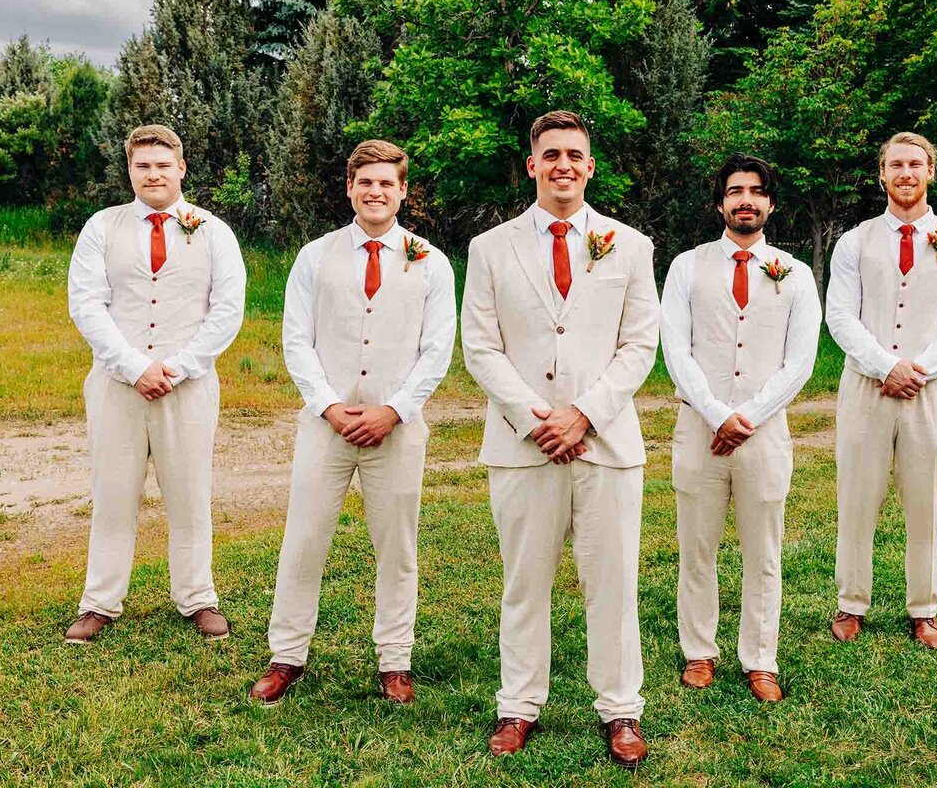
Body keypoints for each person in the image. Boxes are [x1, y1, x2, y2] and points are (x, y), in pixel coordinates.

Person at [460, 111, 659, 768]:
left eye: (575, 154)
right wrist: (535, 415)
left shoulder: (630, 246)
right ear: (532, 165)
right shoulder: (491, 248)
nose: (563, 165)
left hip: (605, 444)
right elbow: (481, 348)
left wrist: (586, 414)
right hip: (523, 445)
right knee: (525, 583)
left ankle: (620, 709)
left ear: (591, 166)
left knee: (613, 582)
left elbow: (639, 344)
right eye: (551, 155)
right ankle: (518, 704)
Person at [248, 140, 456, 705]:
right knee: (304, 539)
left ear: (403, 191)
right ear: (349, 188)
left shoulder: (430, 261)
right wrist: (330, 407)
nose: (376, 191)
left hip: (398, 427)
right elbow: (297, 339)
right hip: (326, 425)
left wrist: (393, 410)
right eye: (365, 182)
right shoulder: (314, 256)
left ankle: (395, 660)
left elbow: (437, 350)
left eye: (387, 183)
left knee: (397, 546)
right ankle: (287, 654)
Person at [65, 124, 246, 643]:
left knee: (190, 494)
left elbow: (226, 311)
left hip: (187, 387)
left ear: (181, 169)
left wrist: (179, 366)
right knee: (113, 493)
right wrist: (132, 366)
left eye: (163, 165)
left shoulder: (213, 231)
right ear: (130, 170)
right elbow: (87, 303)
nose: (153, 174)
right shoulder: (102, 226)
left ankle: (197, 598)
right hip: (116, 385)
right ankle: (100, 602)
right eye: (143, 166)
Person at [660, 154, 820, 700]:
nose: (745, 200)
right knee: (696, 550)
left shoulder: (795, 274)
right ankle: (699, 653)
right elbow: (675, 348)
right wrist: (714, 412)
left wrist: (747, 416)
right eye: (735, 191)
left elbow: (799, 361)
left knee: (764, 553)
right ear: (719, 203)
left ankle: (760, 658)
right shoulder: (687, 266)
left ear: (770, 204)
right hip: (698, 428)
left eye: (755, 191)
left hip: (766, 432)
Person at [826, 132, 937, 649]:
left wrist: (918, 369)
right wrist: (883, 366)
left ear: (930, 172)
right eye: (896, 165)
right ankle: (851, 603)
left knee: (926, 502)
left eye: (915, 164)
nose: (906, 173)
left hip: (930, 391)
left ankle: (925, 608)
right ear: (882, 175)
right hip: (865, 389)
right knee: (856, 497)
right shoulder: (854, 242)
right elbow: (840, 316)